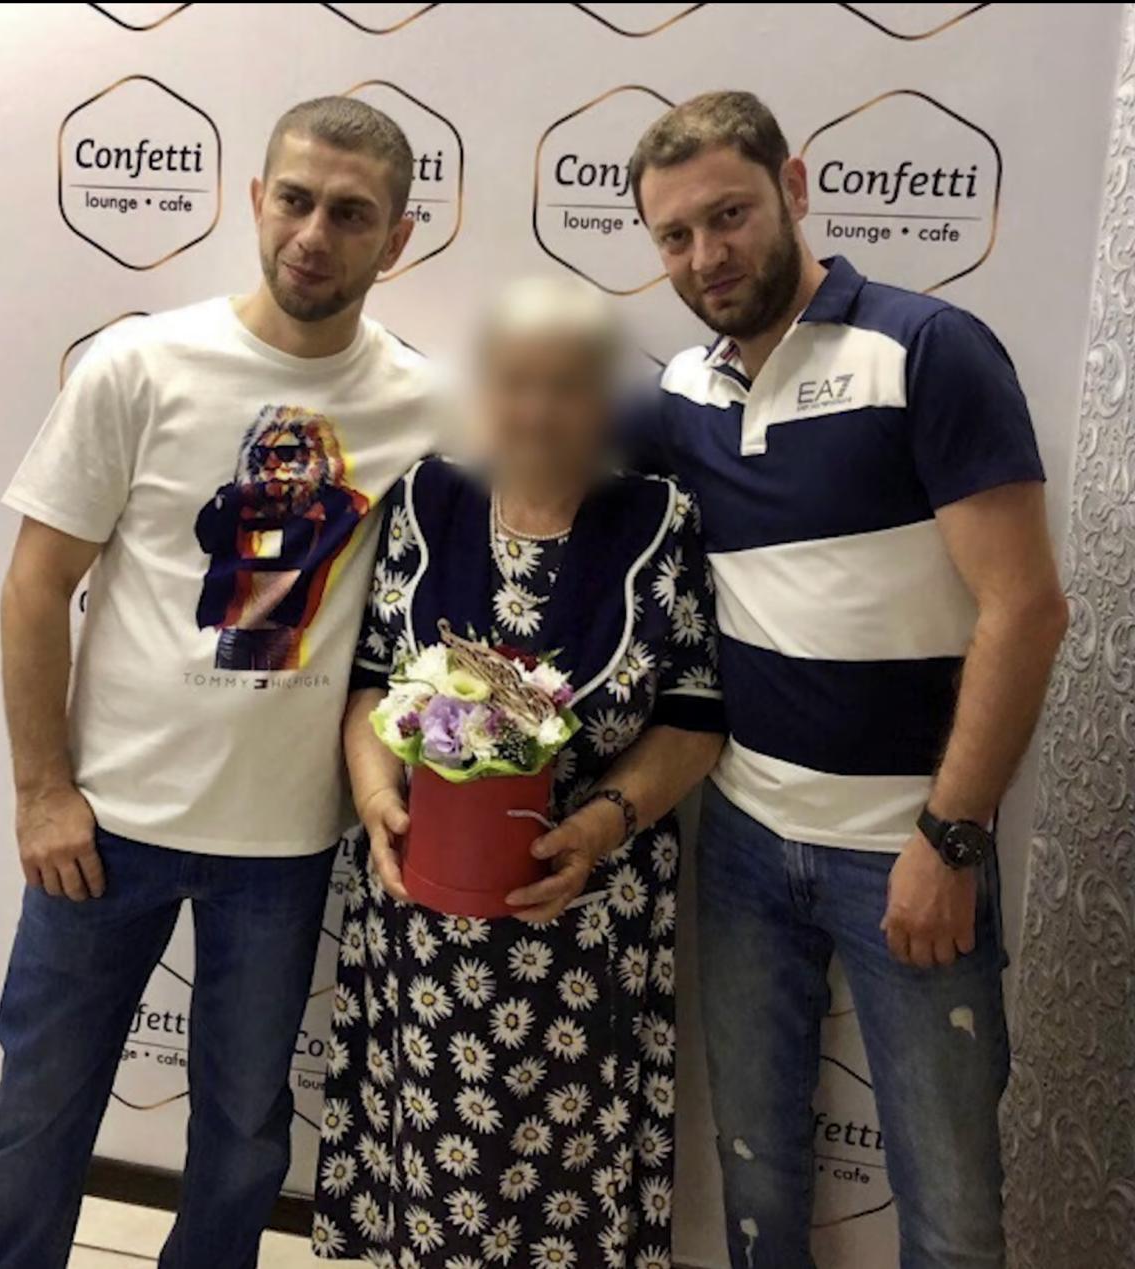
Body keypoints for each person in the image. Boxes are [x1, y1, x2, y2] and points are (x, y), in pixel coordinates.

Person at [0, 97, 450, 1269]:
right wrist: (40, 793)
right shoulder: (141, 364)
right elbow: (36, 586)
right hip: (103, 827)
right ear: (254, 201)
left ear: (396, 240)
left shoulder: (428, 406)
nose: (312, 234)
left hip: (282, 842)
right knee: (37, 1116)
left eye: (350, 214)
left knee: (241, 1138)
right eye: (294, 200)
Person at [624, 91, 1069, 1269]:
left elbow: (1024, 609)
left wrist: (949, 838)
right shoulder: (680, 394)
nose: (706, 257)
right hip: (742, 839)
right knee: (754, 1181)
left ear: (793, 187)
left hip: (906, 848)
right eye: (674, 236)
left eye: (728, 215)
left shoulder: (927, 349)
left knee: (951, 1215)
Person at [311, 277, 727, 1268]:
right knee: (434, 1180)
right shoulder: (426, 500)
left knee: (565, 1184)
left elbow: (692, 715)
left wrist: (603, 822)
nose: (536, 410)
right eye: (513, 382)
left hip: (588, 918)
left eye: (566, 386)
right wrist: (376, 797)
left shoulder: (659, 519)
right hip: (423, 921)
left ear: (604, 399)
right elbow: (370, 681)